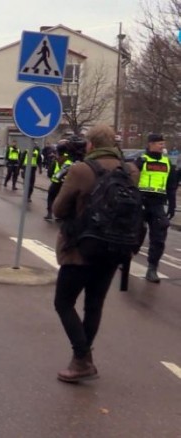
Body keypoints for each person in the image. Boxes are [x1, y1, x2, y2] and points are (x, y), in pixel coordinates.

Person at [52, 125, 140, 383]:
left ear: (90, 145)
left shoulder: (81, 169)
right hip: (115, 248)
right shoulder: (130, 170)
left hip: (81, 248)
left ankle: (82, 358)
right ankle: (81, 360)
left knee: (63, 303)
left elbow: (58, 209)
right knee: (94, 304)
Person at [135, 134, 178, 283]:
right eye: (159, 143)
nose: (162, 146)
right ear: (150, 144)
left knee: (159, 237)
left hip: (157, 204)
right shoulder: (141, 161)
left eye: (163, 144)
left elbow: (171, 187)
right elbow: (131, 180)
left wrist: (172, 205)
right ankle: (128, 256)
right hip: (140, 202)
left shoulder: (167, 163)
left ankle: (152, 268)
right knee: (137, 232)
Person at [44, 142, 73, 221]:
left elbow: (50, 172)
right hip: (65, 184)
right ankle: (60, 215)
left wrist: (52, 176)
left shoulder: (56, 160)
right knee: (62, 199)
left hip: (55, 183)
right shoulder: (69, 160)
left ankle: (49, 213)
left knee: (51, 197)